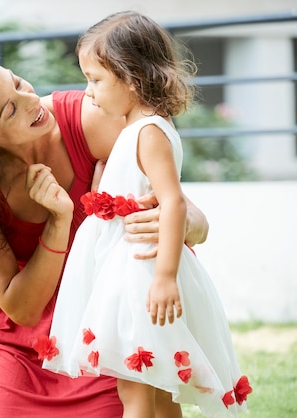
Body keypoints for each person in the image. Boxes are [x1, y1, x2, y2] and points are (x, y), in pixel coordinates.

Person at [0, 47, 209, 417]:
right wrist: (59, 221)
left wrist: (186, 222)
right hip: (16, 350)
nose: (31, 100)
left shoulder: (90, 121)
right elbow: (22, 308)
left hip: (98, 325)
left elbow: (184, 209)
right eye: (10, 109)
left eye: (17, 82)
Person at [41, 11, 252, 418]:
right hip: (129, 268)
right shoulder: (136, 129)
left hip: (143, 273)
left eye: (96, 79)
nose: (88, 92)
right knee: (157, 388)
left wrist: (165, 278)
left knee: (136, 393)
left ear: (132, 77)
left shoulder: (149, 131)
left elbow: (172, 202)